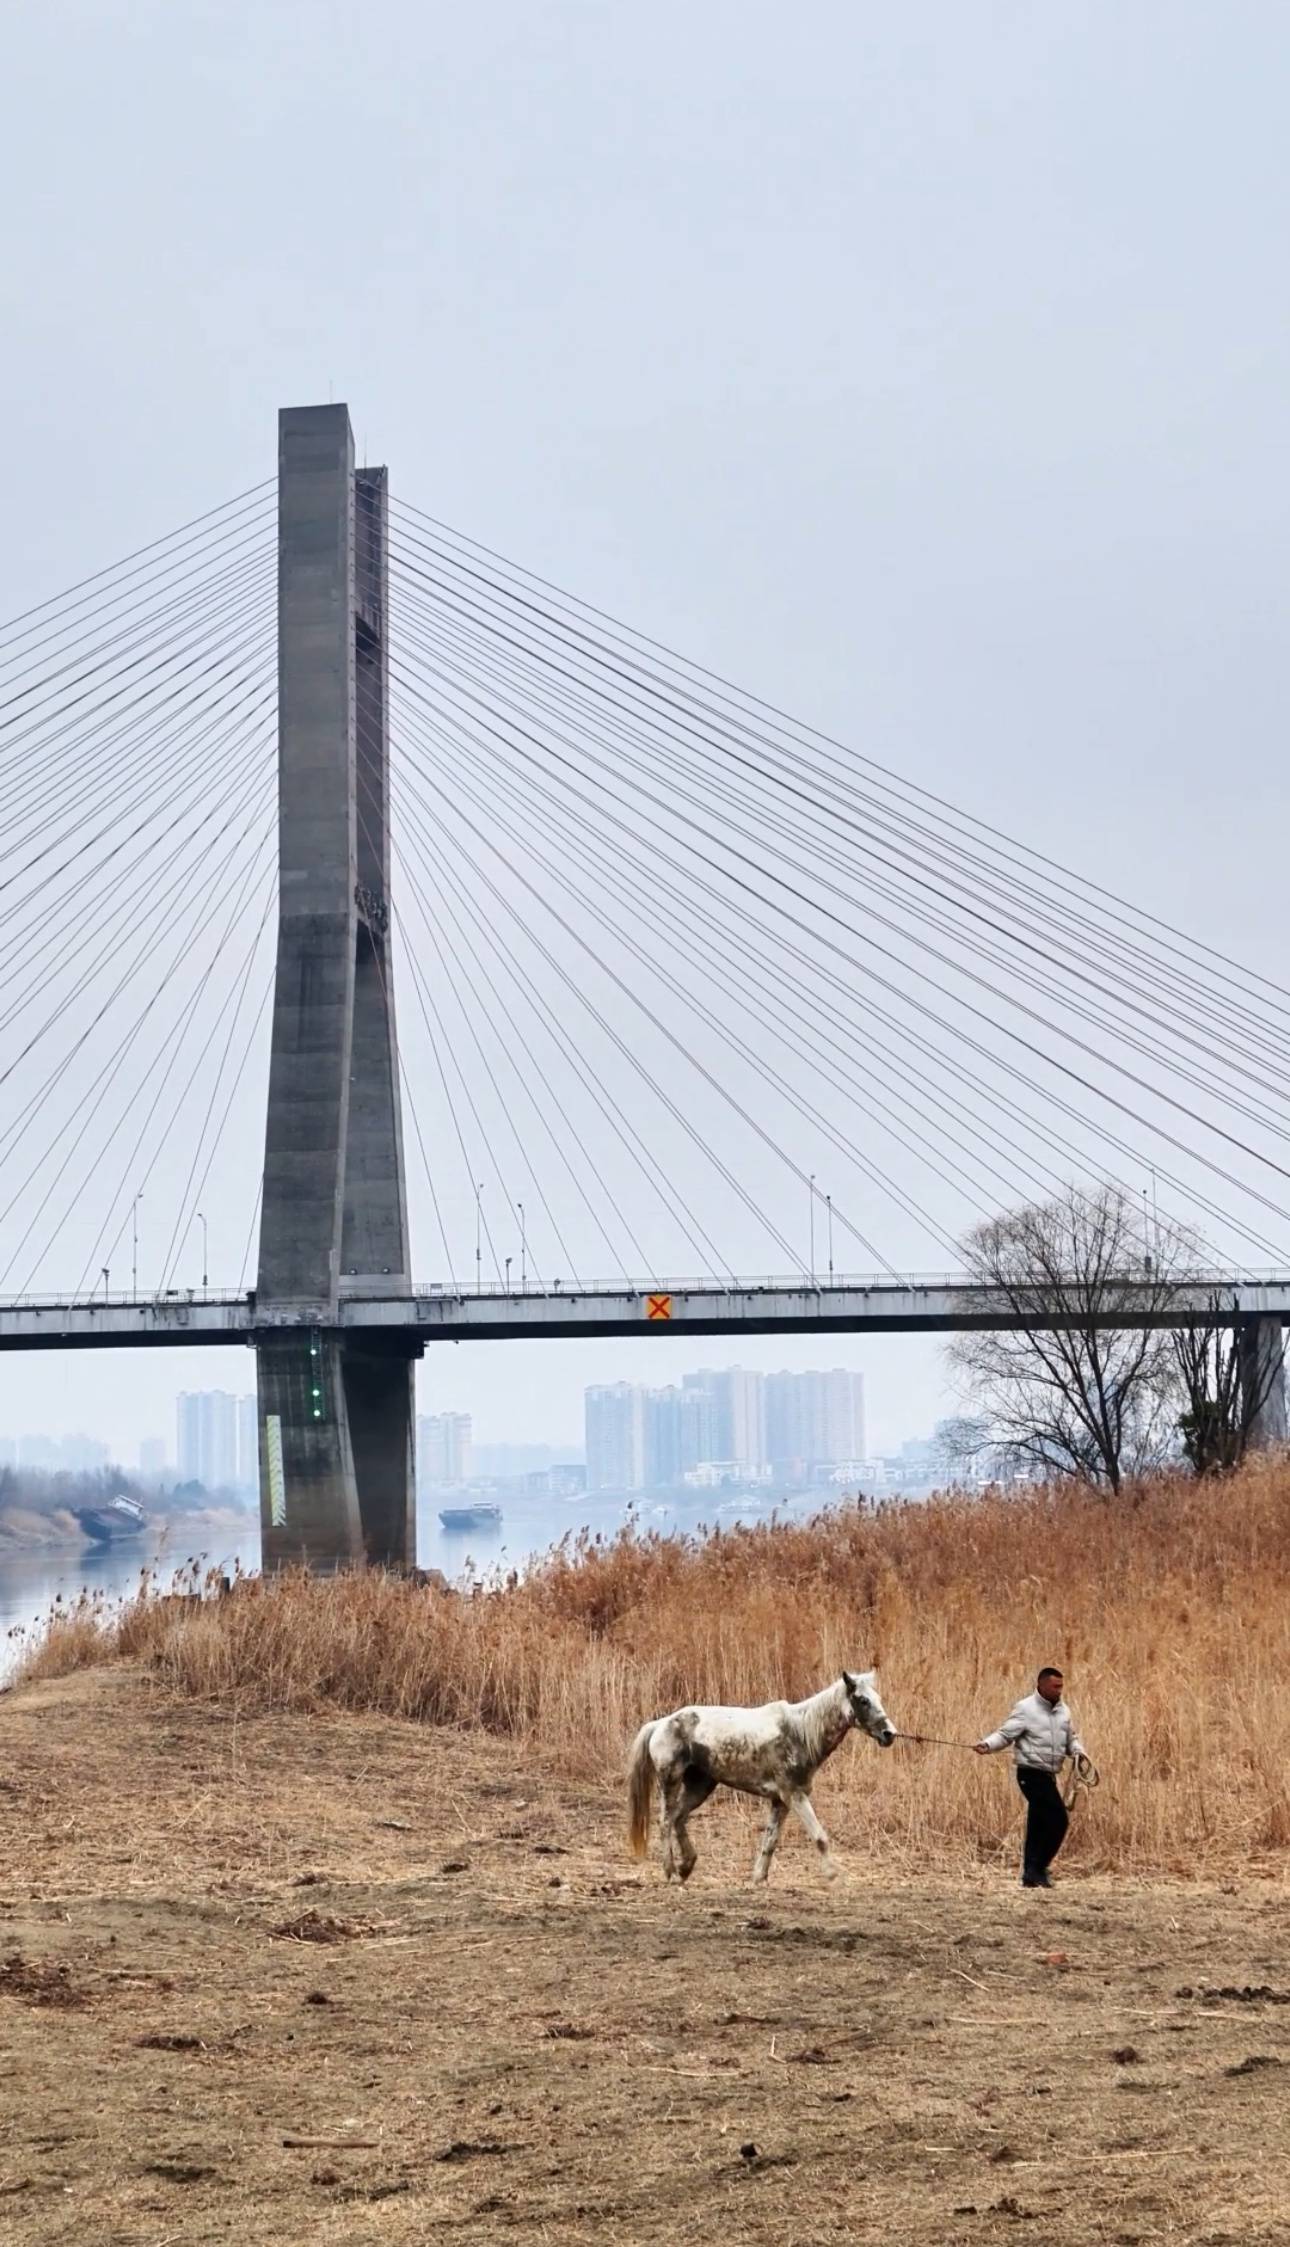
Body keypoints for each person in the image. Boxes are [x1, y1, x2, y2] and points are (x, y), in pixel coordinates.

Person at [974, 1666, 1087, 1889]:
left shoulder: (1064, 1711)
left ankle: (1030, 1874)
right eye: (1055, 1686)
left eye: (1061, 1686)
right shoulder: (1025, 1708)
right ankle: (1039, 1868)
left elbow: (1071, 1738)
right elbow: (1005, 1734)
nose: (1059, 1691)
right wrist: (987, 1744)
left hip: (1049, 1773)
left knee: (1037, 1825)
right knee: (1058, 1820)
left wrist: (1078, 1751)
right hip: (1030, 1773)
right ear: (1041, 1685)